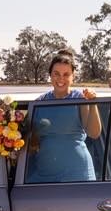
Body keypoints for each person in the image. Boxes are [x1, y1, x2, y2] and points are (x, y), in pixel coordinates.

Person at [27, 52, 102, 183]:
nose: (61, 78)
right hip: (44, 175)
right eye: (56, 73)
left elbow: (94, 133)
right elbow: (32, 145)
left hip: (78, 175)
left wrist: (92, 102)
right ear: (50, 75)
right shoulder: (39, 102)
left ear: (73, 77)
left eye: (66, 74)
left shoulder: (80, 99)